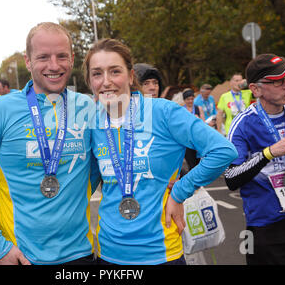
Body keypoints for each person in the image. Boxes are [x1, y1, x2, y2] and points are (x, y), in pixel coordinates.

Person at [83, 38, 237, 265]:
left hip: (161, 253)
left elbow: (223, 151)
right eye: (97, 74)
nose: (106, 82)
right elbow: (88, 180)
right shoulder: (93, 122)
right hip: (109, 254)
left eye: (115, 71)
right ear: (89, 80)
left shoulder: (163, 111)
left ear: (131, 75)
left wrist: (181, 191)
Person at [0, 22, 99, 265]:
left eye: (62, 56)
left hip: (80, 254)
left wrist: (171, 188)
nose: (54, 66)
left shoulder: (88, 107)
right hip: (20, 256)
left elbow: (101, 167)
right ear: (28, 61)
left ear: (72, 59)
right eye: (43, 57)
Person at [224, 54, 285, 265]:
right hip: (264, 225)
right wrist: (268, 152)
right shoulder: (243, 124)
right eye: (278, 81)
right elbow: (231, 178)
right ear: (256, 89)